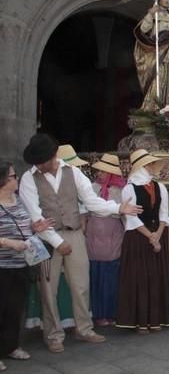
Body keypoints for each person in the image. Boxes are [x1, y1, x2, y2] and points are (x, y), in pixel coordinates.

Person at [19, 133, 141, 353]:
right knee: (49, 289)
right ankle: (53, 334)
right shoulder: (29, 178)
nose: (38, 164)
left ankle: (84, 328)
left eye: (41, 160)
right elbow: (35, 215)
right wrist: (56, 242)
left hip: (74, 233)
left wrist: (117, 208)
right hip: (47, 238)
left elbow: (91, 201)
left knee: (81, 285)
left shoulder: (73, 172)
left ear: (52, 156)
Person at [0, 162, 54, 370]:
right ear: (3, 179)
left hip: (21, 264)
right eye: (13, 176)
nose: (17, 179)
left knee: (15, 308)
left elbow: (24, 226)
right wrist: (7, 242)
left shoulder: (19, 200)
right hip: (2, 265)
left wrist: (35, 227)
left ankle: (11, 346)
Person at [116, 149, 169, 333]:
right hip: (137, 238)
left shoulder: (160, 187)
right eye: (149, 164)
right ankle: (140, 321)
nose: (153, 167)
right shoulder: (129, 188)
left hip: (156, 235)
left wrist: (158, 233)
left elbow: (164, 214)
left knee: (156, 277)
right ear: (141, 166)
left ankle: (156, 318)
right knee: (140, 278)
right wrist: (149, 236)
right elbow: (131, 217)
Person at [86, 154, 126, 327]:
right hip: (94, 233)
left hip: (113, 234)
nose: (99, 174)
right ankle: (98, 313)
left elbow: (123, 213)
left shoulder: (120, 190)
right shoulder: (92, 188)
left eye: (103, 171)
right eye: (99, 170)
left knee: (111, 273)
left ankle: (112, 312)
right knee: (96, 272)